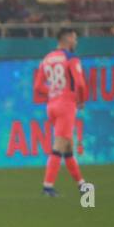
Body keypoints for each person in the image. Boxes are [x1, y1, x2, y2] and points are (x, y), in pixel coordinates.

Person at [34, 29, 88, 197]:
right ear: (69, 39)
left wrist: (53, 91)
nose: (76, 42)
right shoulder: (71, 58)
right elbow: (79, 83)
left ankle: (82, 185)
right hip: (66, 104)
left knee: (68, 147)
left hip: (52, 105)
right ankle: (48, 186)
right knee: (59, 145)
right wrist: (81, 99)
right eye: (75, 38)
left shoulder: (47, 58)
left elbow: (37, 87)